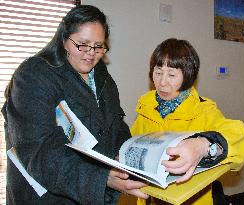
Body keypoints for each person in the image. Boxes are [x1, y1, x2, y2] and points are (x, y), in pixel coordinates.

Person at [2, 5, 148, 205]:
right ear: (63, 39)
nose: (91, 53)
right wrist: (102, 178)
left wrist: (131, 158)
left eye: (98, 46)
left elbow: (115, 124)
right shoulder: (33, 76)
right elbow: (39, 151)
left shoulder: (102, 76)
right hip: (47, 197)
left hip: (91, 192)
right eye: (82, 44)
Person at [131, 38, 244, 205]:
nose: (162, 82)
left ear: (188, 75)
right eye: (158, 72)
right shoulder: (146, 107)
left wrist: (204, 146)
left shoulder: (203, 110)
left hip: (192, 200)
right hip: (150, 196)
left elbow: (240, 138)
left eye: (172, 74)